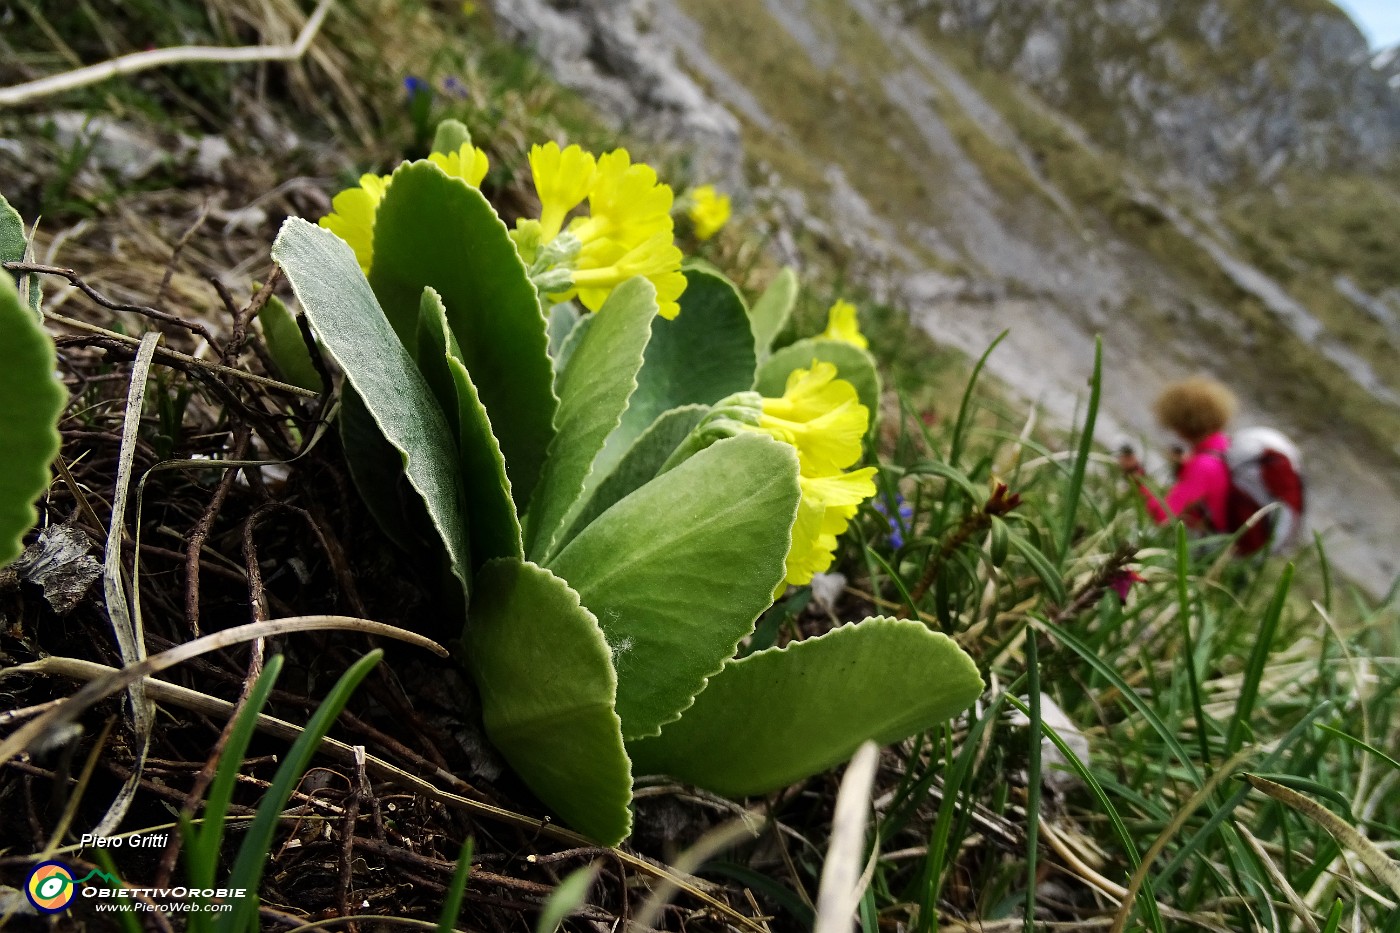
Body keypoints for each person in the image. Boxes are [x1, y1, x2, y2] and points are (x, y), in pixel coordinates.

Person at [1118, 376, 1237, 533]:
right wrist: (1184, 467)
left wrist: (1135, 476)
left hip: (1206, 546)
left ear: (1181, 423)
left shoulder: (1202, 465)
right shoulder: (1225, 448)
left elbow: (1164, 515)